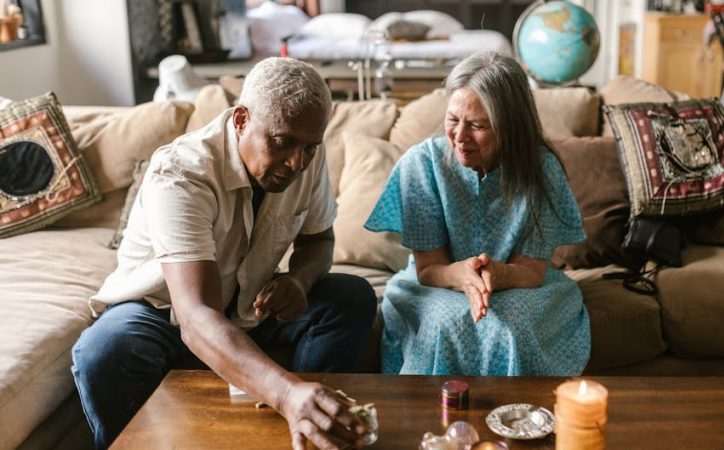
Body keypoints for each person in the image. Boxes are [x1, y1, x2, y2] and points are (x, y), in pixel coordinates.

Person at [72, 57, 376, 450]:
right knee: (104, 350)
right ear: (241, 120)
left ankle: (311, 426)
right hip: (162, 316)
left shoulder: (304, 158)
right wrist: (285, 392)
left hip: (247, 308)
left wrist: (299, 280)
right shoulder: (181, 174)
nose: (297, 163)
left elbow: (319, 241)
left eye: (310, 148)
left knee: (350, 297)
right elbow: (196, 316)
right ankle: (294, 402)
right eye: (283, 142)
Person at [365, 51, 589, 376]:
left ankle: (516, 418)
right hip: (435, 284)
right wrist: (463, 275)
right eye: (453, 119)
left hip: (517, 286)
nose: (459, 136)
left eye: (478, 125)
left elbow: (533, 271)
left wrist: (499, 275)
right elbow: (429, 269)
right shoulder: (421, 165)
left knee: (511, 326)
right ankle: (434, 417)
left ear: (509, 127)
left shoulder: (543, 169)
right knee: (448, 322)